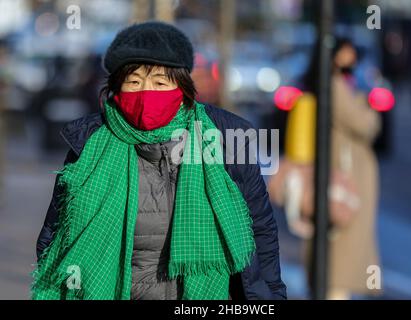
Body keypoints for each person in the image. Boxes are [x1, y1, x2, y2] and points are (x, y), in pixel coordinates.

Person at [32, 21, 286, 300]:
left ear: (182, 86)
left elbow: (260, 230)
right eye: (134, 82)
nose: (146, 93)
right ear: (117, 89)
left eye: (160, 82)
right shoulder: (89, 145)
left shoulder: (228, 140)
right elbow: (55, 234)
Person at [302, 38, 382, 299]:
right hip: (344, 178)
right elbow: (365, 124)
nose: (353, 58)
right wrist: (367, 106)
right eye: (348, 52)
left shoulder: (329, 83)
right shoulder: (335, 86)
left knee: (335, 248)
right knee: (340, 251)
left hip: (338, 172)